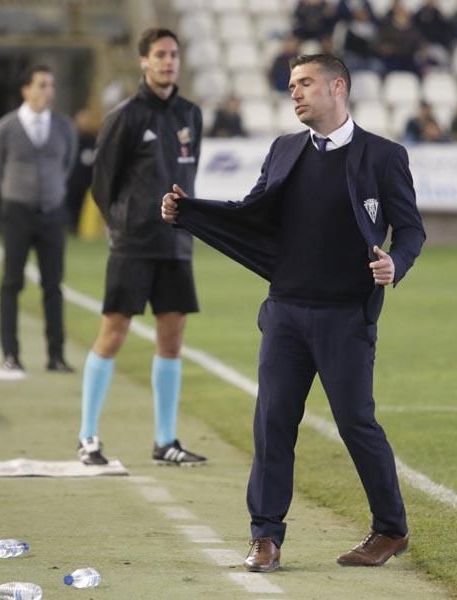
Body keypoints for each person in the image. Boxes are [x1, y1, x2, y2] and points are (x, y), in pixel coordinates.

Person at [162, 53, 425, 572]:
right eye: (291, 86)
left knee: (357, 423)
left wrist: (397, 262)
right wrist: (189, 213)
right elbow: (250, 215)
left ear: (338, 88)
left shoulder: (384, 156)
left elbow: (412, 229)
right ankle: (265, 537)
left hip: (346, 316)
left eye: (305, 83)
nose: (295, 93)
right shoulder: (283, 150)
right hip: (284, 311)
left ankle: (390, 529)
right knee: (273, 422)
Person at [75, 28, 207, 467]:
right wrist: (123, 228)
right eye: (160, 55)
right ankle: (87, 437)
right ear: (143, 62)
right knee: (113, 334)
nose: (168, 61)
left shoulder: (191, 115)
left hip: (176, 245)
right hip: (133, 246)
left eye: (173, 54)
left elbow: (187, 180)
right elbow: (102, 186)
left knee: (172, 339)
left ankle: (165, 441)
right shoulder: (125, 116)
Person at [0, 65, 78, 373]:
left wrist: (51, 194)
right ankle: (10, 353)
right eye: (41, 85)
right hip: (17, 212)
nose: (48, 91)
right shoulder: (6, 128)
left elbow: (66, 164)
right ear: (26, 90)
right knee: (12, 282)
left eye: (51, 85)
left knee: (53, 285)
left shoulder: (64, 127)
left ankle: (56, 355)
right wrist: (19, 192)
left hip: (53, 213)